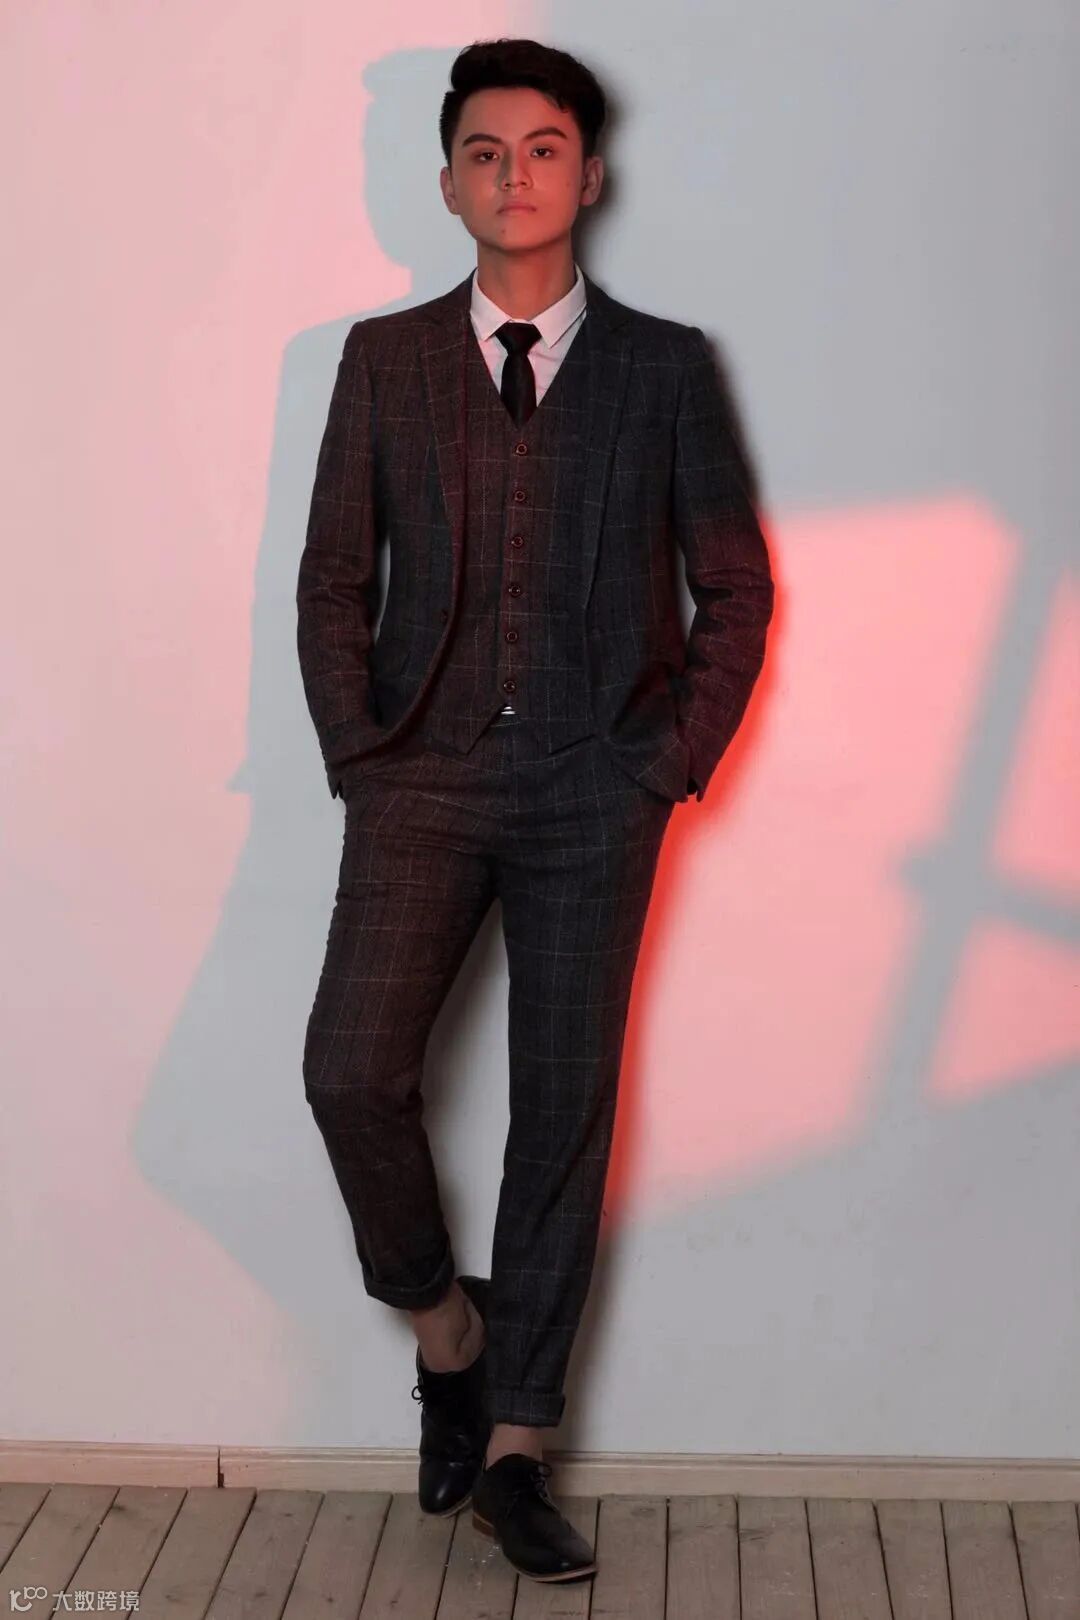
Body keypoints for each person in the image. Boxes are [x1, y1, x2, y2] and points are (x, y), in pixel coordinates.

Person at [296, 36, 774, 1585]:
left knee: (561, 1117)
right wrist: (363, 753)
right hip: (420, 779)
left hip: (595, 790)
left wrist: (661, 766)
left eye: (544, 148)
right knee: (351, 1073)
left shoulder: (665, 368)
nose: (515, 175)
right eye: (486, 152)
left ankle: (516, 1449)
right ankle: (451, 1331)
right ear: (448, 184)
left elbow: (736, 588)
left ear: (591, 176)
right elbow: (331, 580)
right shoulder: (382, 361)